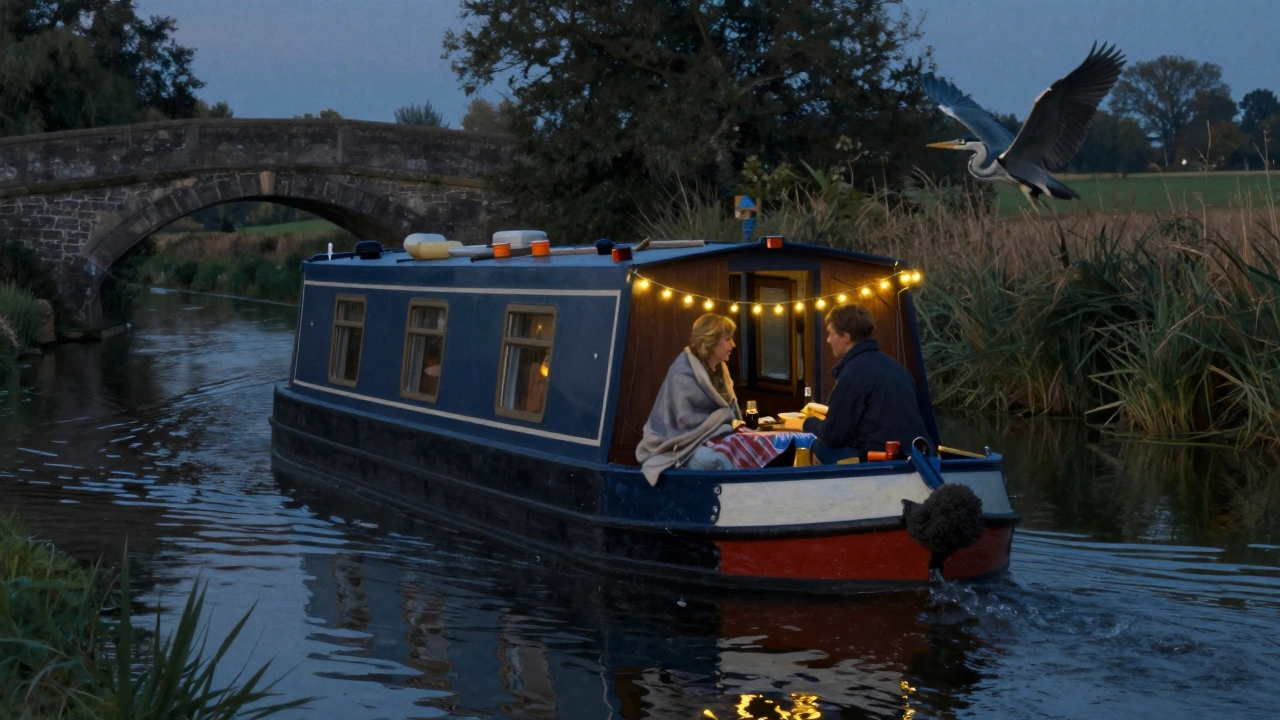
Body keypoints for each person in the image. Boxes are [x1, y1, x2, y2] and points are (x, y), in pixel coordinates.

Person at [803, 303, 930, 463]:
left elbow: (833, 436)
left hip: (879, 459)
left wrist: (806, 423)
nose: (828, 340)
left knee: (820, 446)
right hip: (917, 457)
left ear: (846, 337)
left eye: (830, 333)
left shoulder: (852, 373)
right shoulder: (898, 369)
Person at [636, 313, 742, 484]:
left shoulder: (721, 370)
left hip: (712, 439)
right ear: (711, 341)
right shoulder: (683, 373)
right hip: (680, 448)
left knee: (745, 451)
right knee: (723, 460)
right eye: (728, 339)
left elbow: (730, 412)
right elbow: (684, 423)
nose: (733, 345)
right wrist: (719, 420)